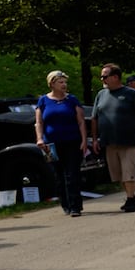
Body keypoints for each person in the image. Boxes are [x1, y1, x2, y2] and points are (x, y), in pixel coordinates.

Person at [92, 63, 135, 212]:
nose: (102, 79)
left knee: (128, 171)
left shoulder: (131, 94)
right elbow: (94, 118)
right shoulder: (101, 95)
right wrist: (94, 139)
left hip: (129, 141)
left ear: (115, 77)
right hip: (109, 141)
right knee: (117, 174)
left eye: (105, 76)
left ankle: (130, 199)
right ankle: (131, 196)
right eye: (101, 77)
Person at [34, 70, 89, 216]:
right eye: (61, 82)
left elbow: (81, 121)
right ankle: (65, 204)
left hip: (72, 142)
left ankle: (75, 206)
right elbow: (39, 122)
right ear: (52, 84)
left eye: (65, 82)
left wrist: (84, 140)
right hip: (50, 145)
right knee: (58, 175)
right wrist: (39, 138)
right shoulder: (43, 101)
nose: (64, 85)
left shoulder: (72, 100)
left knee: (72, 174)